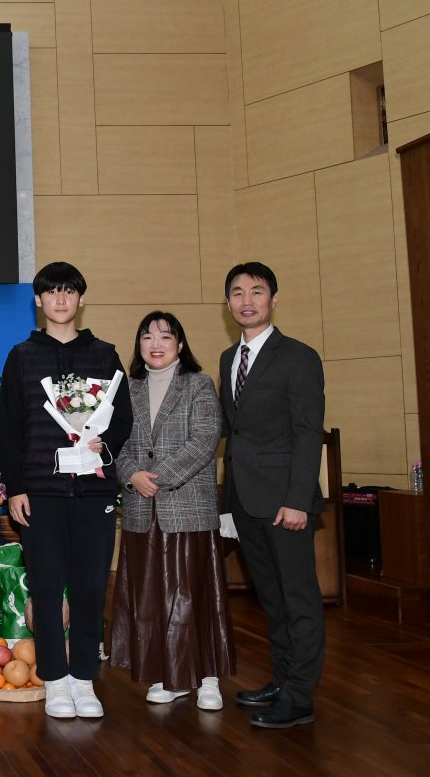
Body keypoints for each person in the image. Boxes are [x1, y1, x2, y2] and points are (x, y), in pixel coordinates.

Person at [0, 262, 132, 720]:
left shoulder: (104, 354)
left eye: (69, 291)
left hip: (94, 492)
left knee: (91, 587)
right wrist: (16, 487)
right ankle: (55, 679)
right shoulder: (21, 356)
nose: (60, 299)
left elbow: (123, 417)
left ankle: (84, 679)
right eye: (51, 292)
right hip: (41, 492)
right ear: (38, 300)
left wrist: (103, 445)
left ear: (81, 298)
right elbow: (11, 426)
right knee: (47, 587)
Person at [109, 311, 234, 710]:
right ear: (139, 345)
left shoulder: (198, 384)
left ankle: (208, 677)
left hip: (188, 508)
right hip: (141, 510)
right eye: (147, 336)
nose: (156, 343)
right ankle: (170, 676)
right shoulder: (127, 389)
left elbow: (205, 439)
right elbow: (114, 444)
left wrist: (157, 478)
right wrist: (132, 475)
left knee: (195, 596)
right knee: (153, 600)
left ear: (180, 344)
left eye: (165, 336)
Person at [219, 263, 325, 729]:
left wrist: (298, 499)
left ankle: (300, 695)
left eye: (257, 292)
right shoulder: (229, 358)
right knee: (272, 599)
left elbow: (307, 433)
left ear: (273, 299)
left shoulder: (298, 357)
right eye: (238, 293)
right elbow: (233, 433)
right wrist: (227, 504)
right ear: (228, 303)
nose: (247, 301)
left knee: (299, 599)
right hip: (245, 501)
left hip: (285, 502)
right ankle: (283, 678)